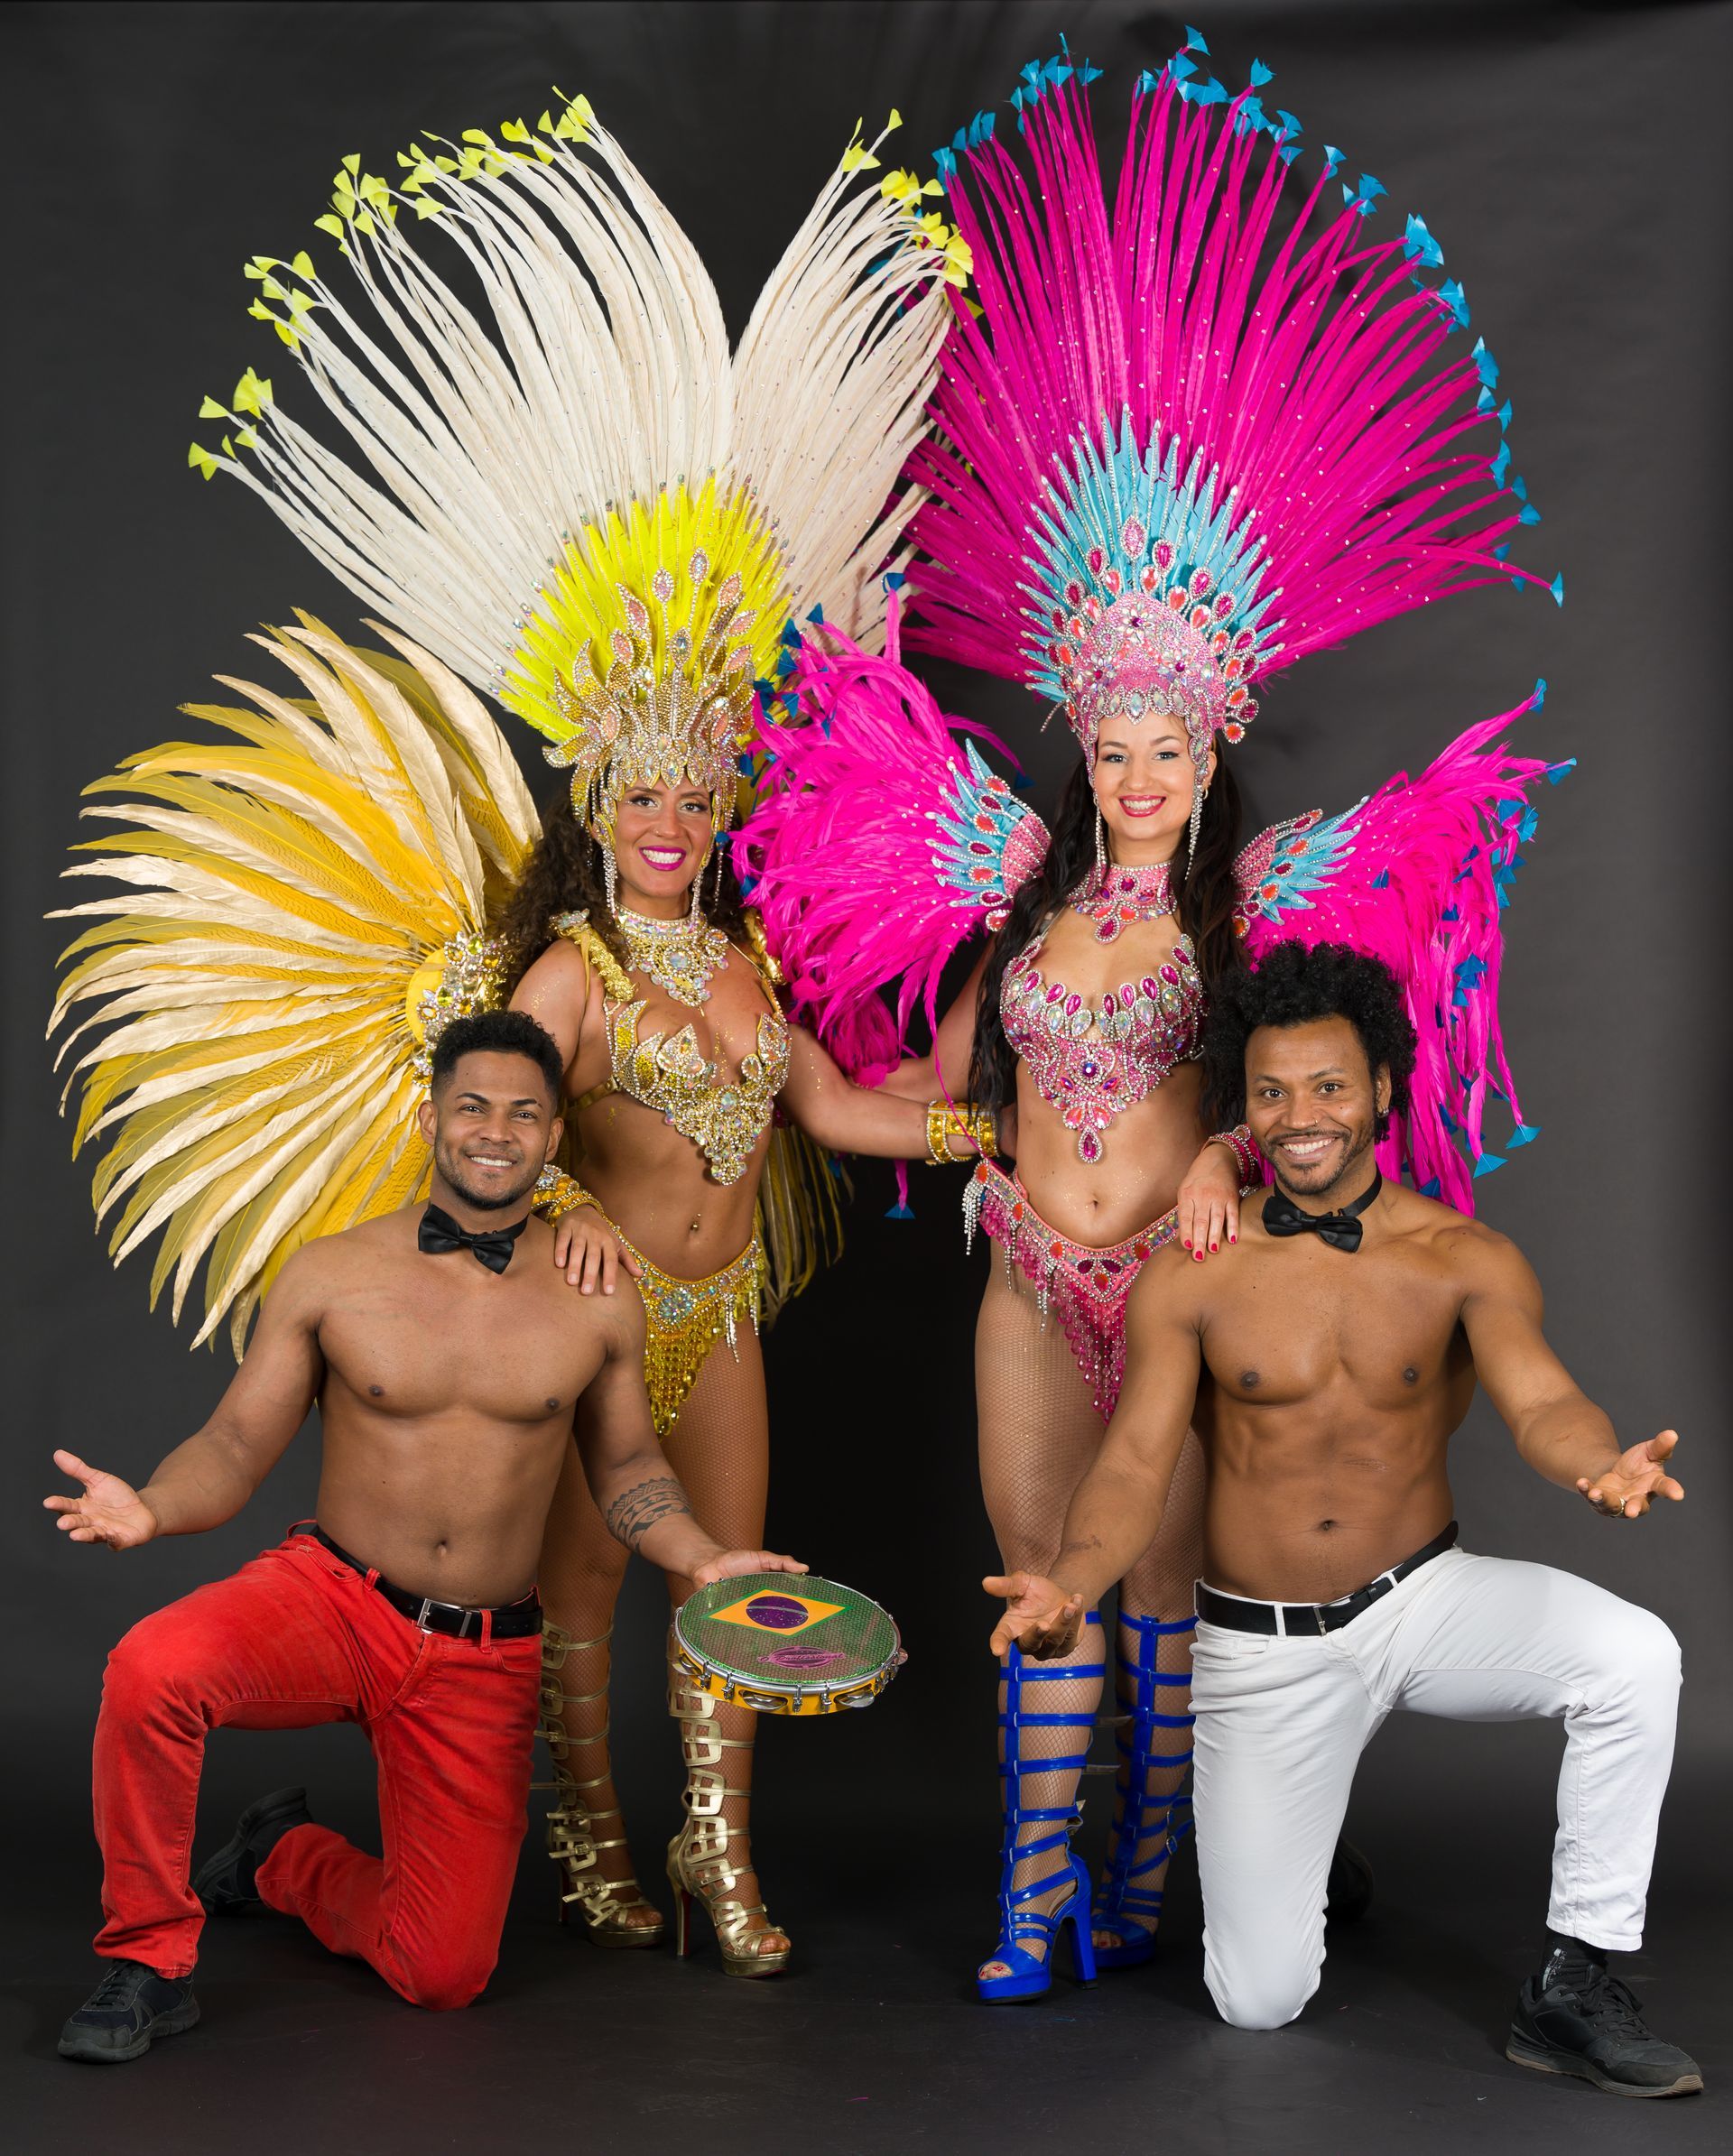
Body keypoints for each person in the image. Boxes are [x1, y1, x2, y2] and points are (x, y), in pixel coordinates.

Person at [51, 91, 979, 1975]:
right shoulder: (567, 965)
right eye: (632, 794)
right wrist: (558, 1205)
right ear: (598, 793)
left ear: (715, 802)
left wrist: (970, 1106)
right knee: (577, 1593)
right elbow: (491, 1115)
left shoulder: (745, 967)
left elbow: (834, 1113)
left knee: (737, 1579)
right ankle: (591, 1853)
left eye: (686, 796)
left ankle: (724, 1860)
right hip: (601, 1300)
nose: (661, 820)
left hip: (725, 1321)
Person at [741, 35, 1564, 1998]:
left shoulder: (1263, 900)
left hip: (1183, 1281)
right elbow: (928, 1091)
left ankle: (1145, 1878)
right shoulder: (1009, 882)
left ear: (1210, 748)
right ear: (1080, 744)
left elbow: (1306, 1091)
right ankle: (1039, 1903)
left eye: (1162, 743)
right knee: (1051, 1586)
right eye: (1104, 742)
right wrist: (791, 1061)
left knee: (1175, 1594)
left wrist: (1209, 1149)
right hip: (1030, 1270)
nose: (1129, 772)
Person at [988, 942, 1701, 2099]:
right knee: (1257, 2002)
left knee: (1635, 1658)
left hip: (1420, 1598)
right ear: (1246, 1109)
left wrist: (1598, 1463)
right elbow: (1131, 1464)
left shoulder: (1461, 1255)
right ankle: (1309, 1846)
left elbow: (1543, 1399)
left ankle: (1577, 1980)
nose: (1300, 1115)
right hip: (1263, 1646)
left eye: (1328, 1087)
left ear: (1381, 1089)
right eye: (1271, 1092)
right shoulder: (1194, 1273)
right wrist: (1070, 1579)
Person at [50, 1010, 805, 2063]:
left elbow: (629, 1468)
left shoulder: (597, 1296)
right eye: (473, 1108)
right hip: (334, 1599)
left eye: (524, 1114)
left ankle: (278, 1855)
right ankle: (147, 1957)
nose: (495, 1132)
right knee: (150, 1668)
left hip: (481, 1651)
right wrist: (156, 1506)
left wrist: (701, 1556)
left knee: (442, 1973)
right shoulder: (330, 1272)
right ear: (432, 1119)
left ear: (553, 1139)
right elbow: (232, 1441)